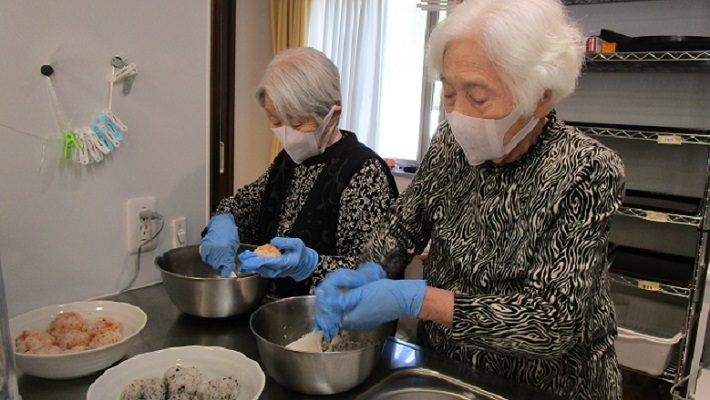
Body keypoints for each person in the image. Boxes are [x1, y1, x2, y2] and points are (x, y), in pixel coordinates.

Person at [315, 0, 624, 398]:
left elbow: (551, 321)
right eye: (447, 93)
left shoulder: (587, 170)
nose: (457, 115)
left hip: (544, 386)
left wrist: (416, 298)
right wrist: (365, 272)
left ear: (540, 97)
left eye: (477, 98)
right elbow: (400, 227)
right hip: (447, 371)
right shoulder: (448, 146)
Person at [200, 47, 398, 297]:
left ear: (333, 114)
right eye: (275, 121)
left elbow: (375, 275)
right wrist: (224, 219)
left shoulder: (364, 173)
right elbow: (245, 206)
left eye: (296, 123)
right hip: (278, 314)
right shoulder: (288, 160)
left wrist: (311, 266)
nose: (286, 134)